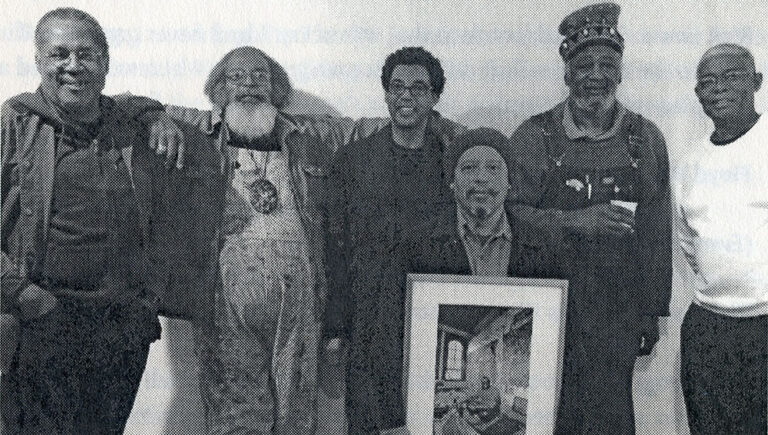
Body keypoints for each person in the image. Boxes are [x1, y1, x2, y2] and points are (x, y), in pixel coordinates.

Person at [0, 7, 183, 434]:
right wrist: (24, 295)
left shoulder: (130, 127)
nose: (73, 66)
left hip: (122, 325)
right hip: (46, 319)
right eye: (59, 54)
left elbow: (165, 223)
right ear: (39, 61)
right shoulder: (12, 124)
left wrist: (149, 299)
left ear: (105, 61)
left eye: (86, 54)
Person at [507, 3, 672, 434]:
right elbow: (510, 217)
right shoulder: (534, 134)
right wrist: (575, 222)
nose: (595, 73)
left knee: (612, 418)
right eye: (583, 64)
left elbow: (656, 231)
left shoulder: (646, 137)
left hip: (617, 311)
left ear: (620, 72)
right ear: (566, 73)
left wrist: (652, 310)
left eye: (607, 63)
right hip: (548, 304)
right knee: (547, 412)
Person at [322, 46, 466, 434]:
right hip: (367, 318)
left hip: (430, 317)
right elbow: (334, 248)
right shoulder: (352, 160)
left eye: (419, 88)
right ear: (385, 93)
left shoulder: (451, 164)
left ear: (435, 98)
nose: (406, 95)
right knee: (368, 423)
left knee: (423, 422)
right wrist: (335, 328)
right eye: (397, 86)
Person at [677, 43, 768, 435]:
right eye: (707, 82)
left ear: (757, 82)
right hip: (708, 330)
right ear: (698, 94)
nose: (718, 89)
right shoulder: (689, 164)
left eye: (731, 76)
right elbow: (689, 245)